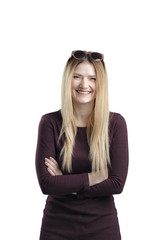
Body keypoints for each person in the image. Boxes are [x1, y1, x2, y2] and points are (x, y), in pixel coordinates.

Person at [35, 50, 129, 240]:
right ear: (67, 80)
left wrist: (66, 182)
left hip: (103, 227)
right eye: (77, 77)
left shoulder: (116, 124)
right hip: (57, 227)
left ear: (100, 83)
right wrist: (94, 177)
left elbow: (117, 184)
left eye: (92, 78)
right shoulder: (50, 123)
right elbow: (47, 184)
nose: (84, 84)